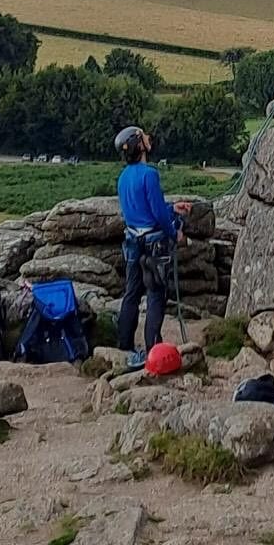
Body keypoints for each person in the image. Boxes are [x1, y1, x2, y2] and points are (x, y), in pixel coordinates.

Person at [114, 125, 193, 369]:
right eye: (144, 135)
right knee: (156, 295)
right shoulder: (149, 174)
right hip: (154, 244)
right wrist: (175, 232)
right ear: (141, 144)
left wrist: (172, 207)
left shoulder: (124, 176)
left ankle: (124, 346)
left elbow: (140, 210)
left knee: (131, 293)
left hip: (132, 242)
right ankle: (153, 349)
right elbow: (157, 213)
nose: (149, 137)